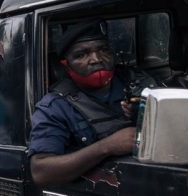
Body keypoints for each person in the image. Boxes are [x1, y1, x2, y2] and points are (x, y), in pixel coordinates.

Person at [27, 20, 157, 187]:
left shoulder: (138, 82)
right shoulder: (55, 107)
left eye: (103, 50)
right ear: (66, 66)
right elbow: (41, 172)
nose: (96, 59)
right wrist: (107, 147)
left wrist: (145, 115)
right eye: (81, 55)